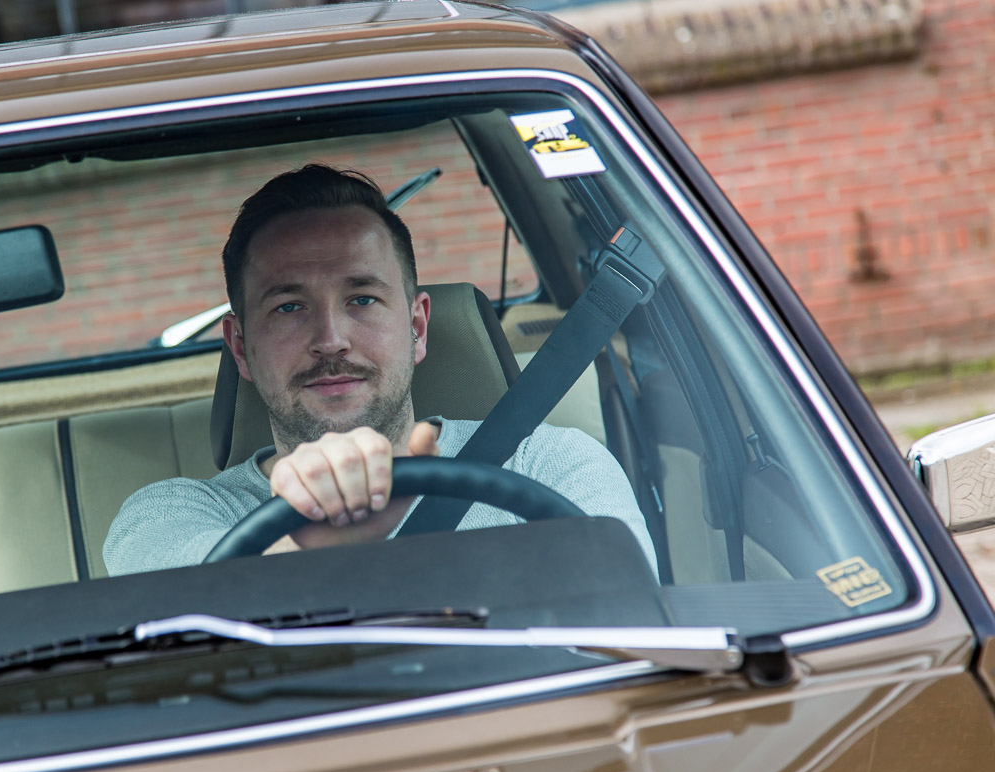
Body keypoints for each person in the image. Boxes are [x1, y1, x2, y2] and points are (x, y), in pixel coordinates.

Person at [104, 164, 656, 575]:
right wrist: (304, 543)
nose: (330, 340)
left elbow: (632, 630)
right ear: (241, 348)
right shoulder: (170, 515)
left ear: (417, 327)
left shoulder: (550, 465)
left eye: (363, 299)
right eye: (289, 307)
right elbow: (184, 607)